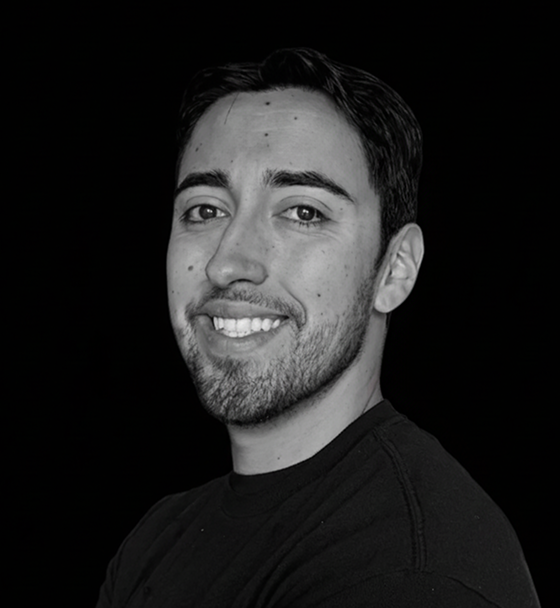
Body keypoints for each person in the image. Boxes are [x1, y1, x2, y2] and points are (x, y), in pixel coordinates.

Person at [96, 48, 540, 607]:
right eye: (205, 210)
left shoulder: (409, 572)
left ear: (394, 270)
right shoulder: (161, 538)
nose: (229, 263)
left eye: (303, 212)